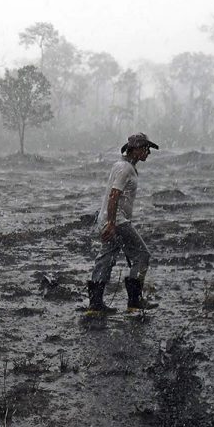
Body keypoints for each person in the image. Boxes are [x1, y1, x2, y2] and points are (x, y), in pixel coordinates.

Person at [86, 133, 159, 312]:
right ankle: (134, 301)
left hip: (109, 219)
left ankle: (95, 304)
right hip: (117, 221)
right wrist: (112, 223)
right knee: (142, 255)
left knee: (107, 257)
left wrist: (108, 222)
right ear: (134, 149)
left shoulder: (123, 166)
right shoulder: (125, 168)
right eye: (145, 149)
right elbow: (114, 195)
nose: (148, 153)